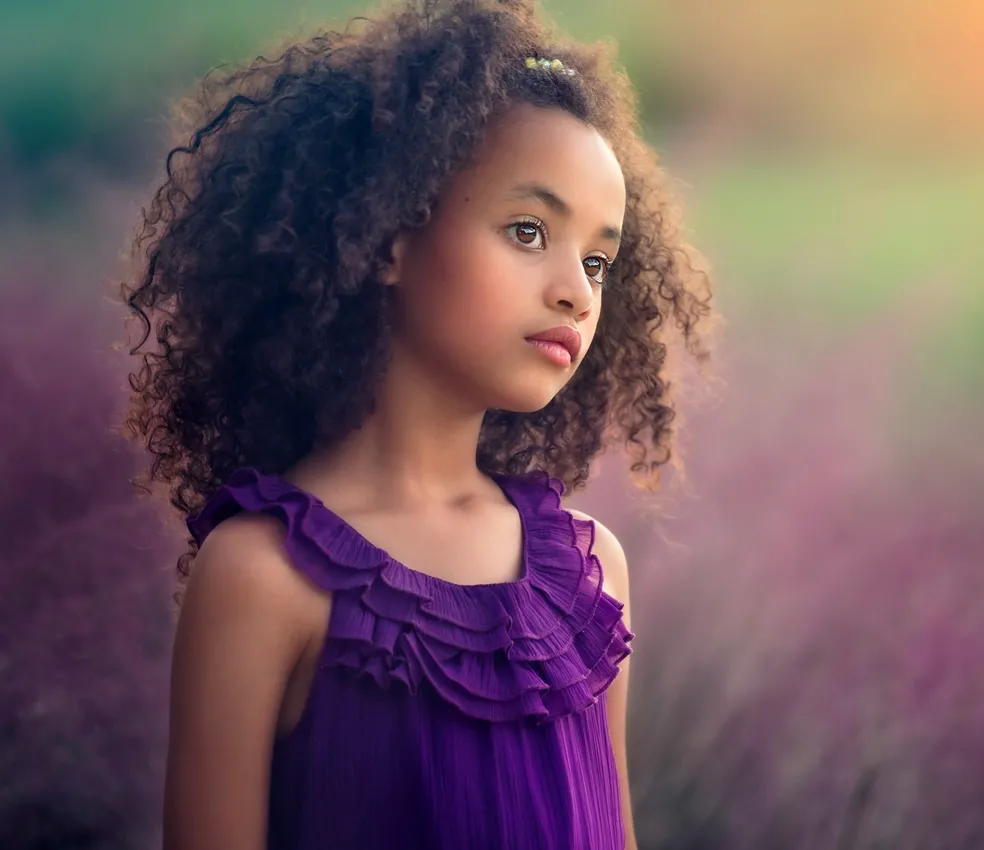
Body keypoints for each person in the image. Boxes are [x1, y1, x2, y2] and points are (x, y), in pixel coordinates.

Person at [120, 1, 713, 847]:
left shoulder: (590, 579)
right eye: (527, 230)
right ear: (387, 237)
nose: (578, 292)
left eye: (597, 260)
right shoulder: (261, 577)